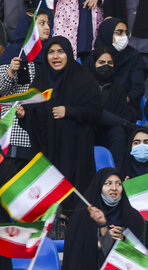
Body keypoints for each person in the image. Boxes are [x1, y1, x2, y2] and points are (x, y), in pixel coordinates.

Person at [17, 36, 103, 193]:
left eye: (60, 52)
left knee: (73, 200)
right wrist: (23, 115)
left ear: (69, 54)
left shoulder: (84, 80)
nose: (55, 56)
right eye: (51, 52)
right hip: (46, 151)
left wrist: (69, 111)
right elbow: (32, 117)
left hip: (75, 151)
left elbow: (96, 112)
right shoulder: (40, 80)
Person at [63, 167, 143, 270]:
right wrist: (100, 242)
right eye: (108, 183)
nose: (114, 188)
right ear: (99, 186)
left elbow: (141, 250)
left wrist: (123, 239)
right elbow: (76, 251)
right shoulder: (83, 215)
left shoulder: (132, 216)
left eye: (118, 183)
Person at [0, 9, 52, 165]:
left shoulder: (50, 56)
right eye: (42, 23)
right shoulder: (12, 55)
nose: (47, 27)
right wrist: (10, 72)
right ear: (29, 30)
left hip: (39, 130)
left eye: (48, 23)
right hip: (14, 131)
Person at [87, 18, 148, 118]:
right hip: (95, 107)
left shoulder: (133, 57)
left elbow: (138, 89)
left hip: (124, 107)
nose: (123, 37)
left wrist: (122, 100)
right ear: (107, 33)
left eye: (126, 33)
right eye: (119, 32)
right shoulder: (94, 57)